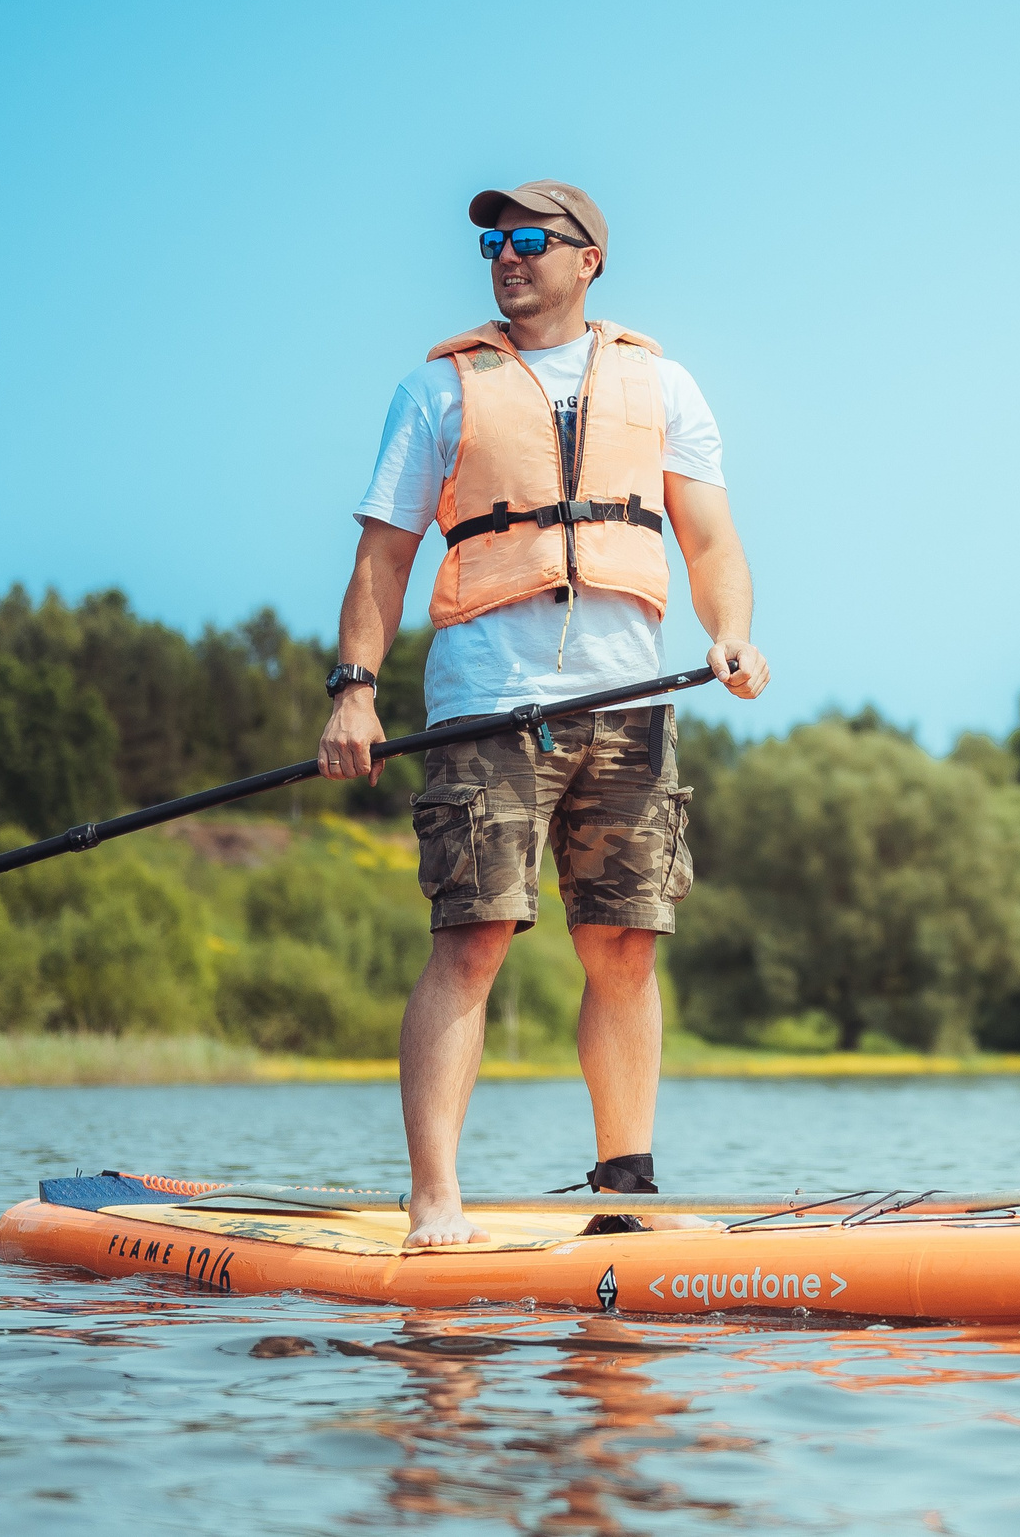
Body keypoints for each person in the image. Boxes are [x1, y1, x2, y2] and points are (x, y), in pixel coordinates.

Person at [316, 179, 770, 1247]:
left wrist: (733, 633)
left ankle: (626, 1194)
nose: (506, 257)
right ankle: (435, 1199)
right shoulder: (438, 392)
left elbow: (709, 545)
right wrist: (353, 690)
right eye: (492, 242)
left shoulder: (660, 385)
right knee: (472, 940)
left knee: (625, 946)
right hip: (487, 705)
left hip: (629, 702)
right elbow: (383, 558)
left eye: (528, 239)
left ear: (588, 259)